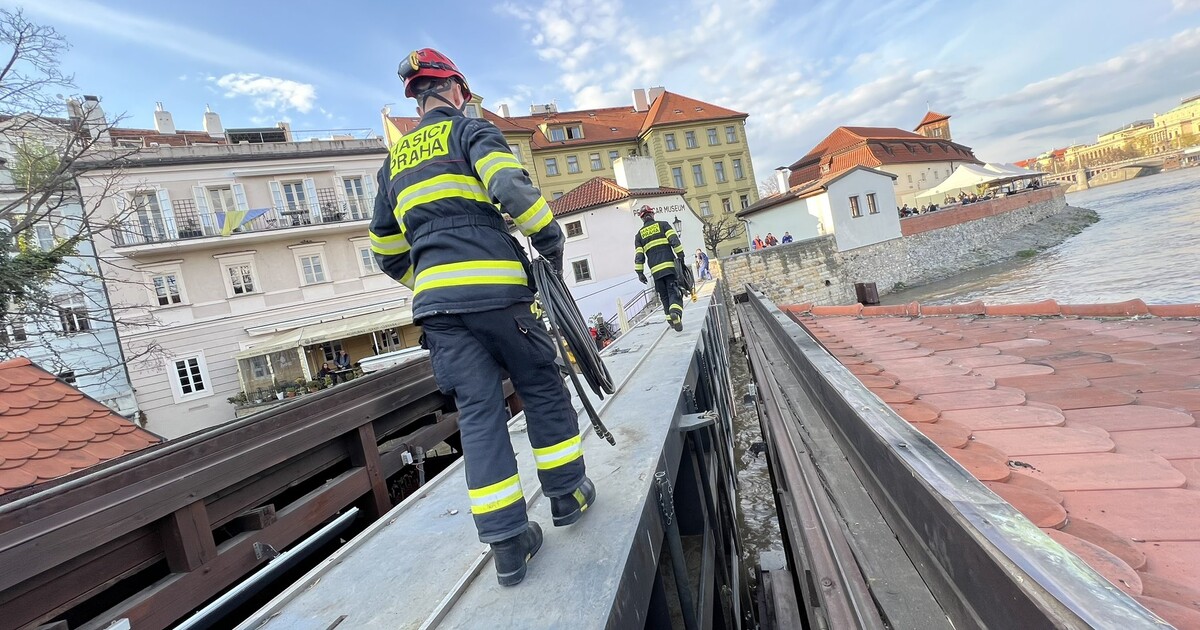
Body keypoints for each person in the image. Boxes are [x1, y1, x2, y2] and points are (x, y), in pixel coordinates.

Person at [369, 48, 594, 587]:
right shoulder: (469, 132)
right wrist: (548, 239)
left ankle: (508, 544)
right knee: (540, 385)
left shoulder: (392, 165)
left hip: (439, 313)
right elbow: (511, 188)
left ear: (417, 99)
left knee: (478, 414)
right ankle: (567, 495)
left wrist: (430, 280)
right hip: (499, 293)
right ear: (456, 91)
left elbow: (384, 250)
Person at [633, 205, 686, 331]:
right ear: (652, 214)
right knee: (674, 292)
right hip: (669, 267)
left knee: (664, 296)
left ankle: (671, 321)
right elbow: (674, 241)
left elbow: (639, 255)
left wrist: (640, 273)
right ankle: (675, 314)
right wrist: (681, 257)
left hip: (656, 272)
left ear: (642, 218)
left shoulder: (639, 236)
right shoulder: (664, 225)